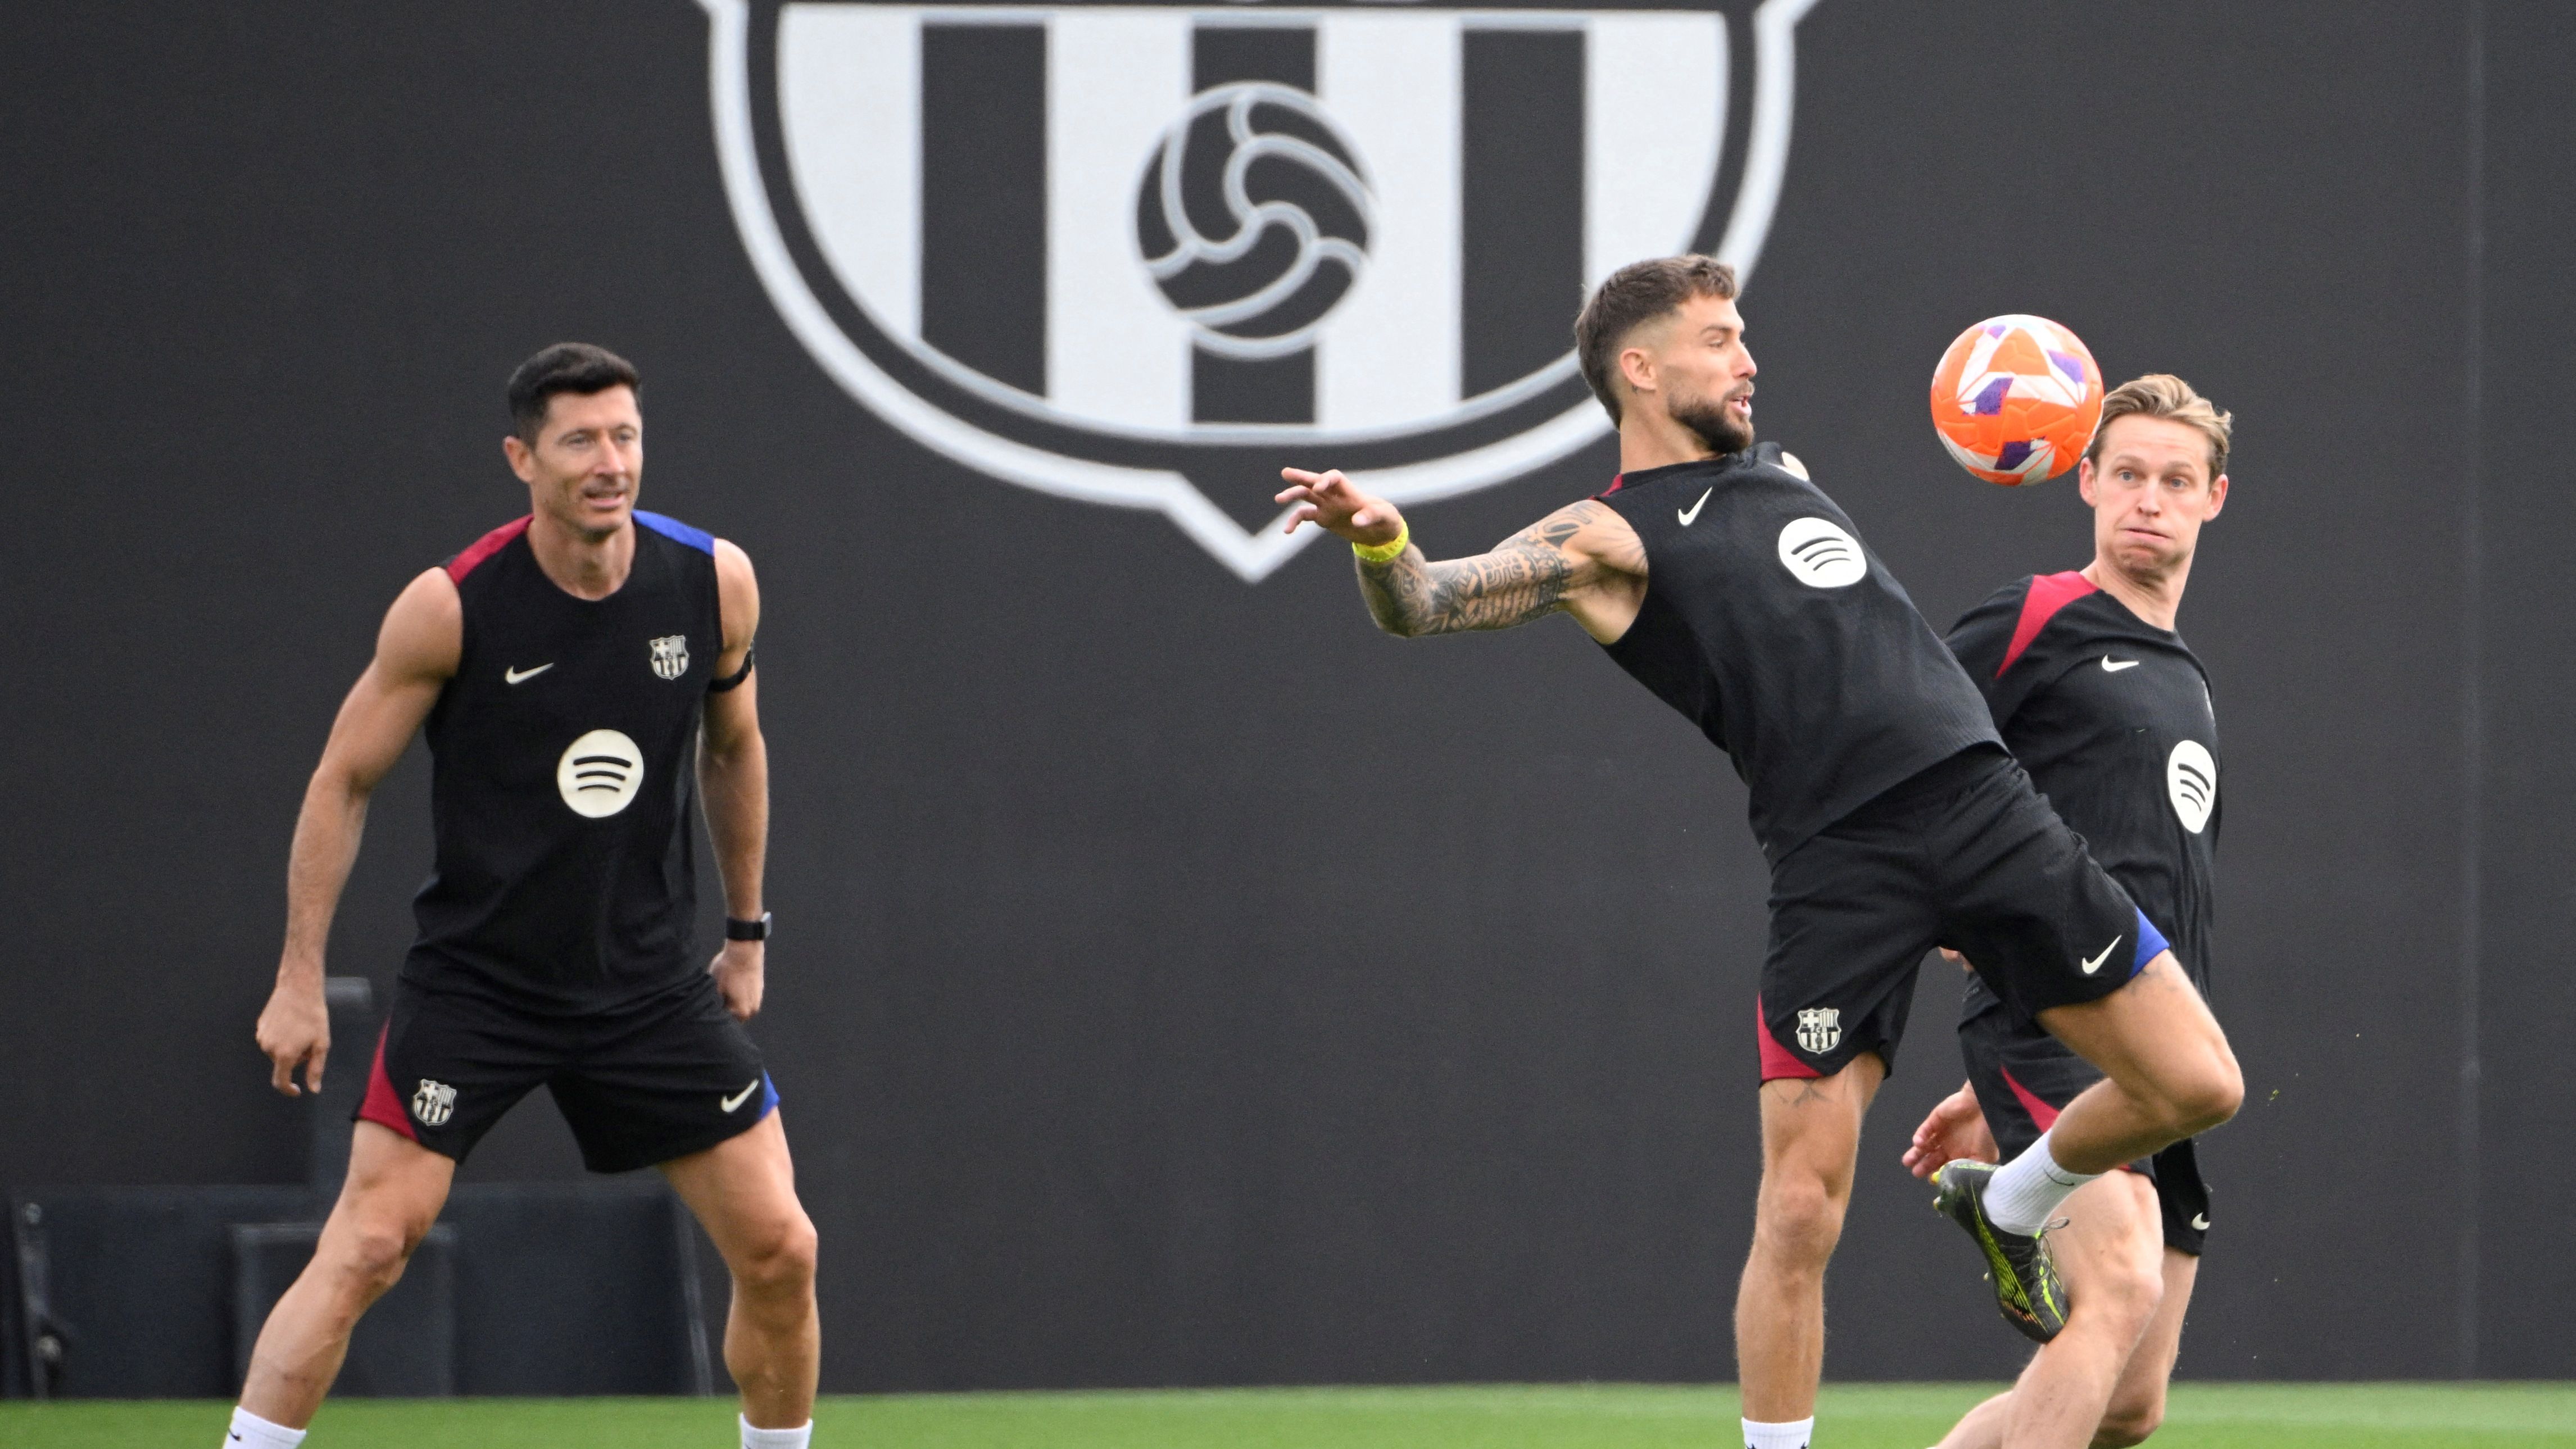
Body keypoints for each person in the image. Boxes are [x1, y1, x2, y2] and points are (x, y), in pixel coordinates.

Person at [1274, 257, 2242, 1449]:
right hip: (1842, 862)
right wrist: (1383, 549)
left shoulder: (1781, 472)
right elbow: (1428, 601)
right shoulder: (1606, 535)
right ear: (1641, 367)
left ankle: (2012, 1202)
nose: (1748, 360)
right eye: (1721, 339)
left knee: (2202, 1086)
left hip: (1986, 810)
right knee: (1797, 1209)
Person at [228, 345, 819, 1449]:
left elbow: (733, 751)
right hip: (482, 987)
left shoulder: (711, 582)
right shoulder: (450, 608)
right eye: (581, 441)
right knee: (365, 1247)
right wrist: (297, 976)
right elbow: (342, 781)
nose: (611, 462)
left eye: (627, 436)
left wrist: (745, 933)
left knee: (782, 1249)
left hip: (644, 988)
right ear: (521, 458)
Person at [1901, 375, 2232, 1449]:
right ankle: (2005, 1199)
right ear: (2083, 479)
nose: (2149, 498)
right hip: (2052, 1029)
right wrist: (1946, 907)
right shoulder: (2038, 614)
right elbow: (1907, 756)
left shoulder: (2186, 679)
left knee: (2129, 1406)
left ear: (2213, 499)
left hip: (2145, 1052)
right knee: (2114, 1288)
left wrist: (1974, 1093)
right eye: (2127, 474)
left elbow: (2130, 885)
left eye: (2175, 480)